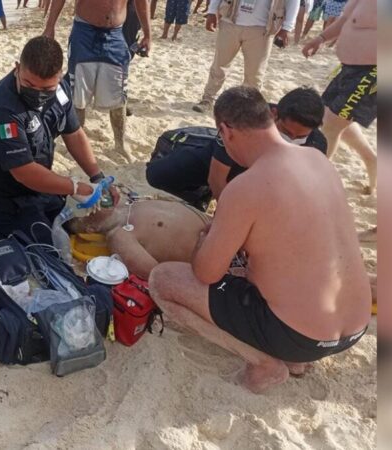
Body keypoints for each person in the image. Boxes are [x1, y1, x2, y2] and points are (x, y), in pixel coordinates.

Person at [149, 86, 371, 393]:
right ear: (271, 117)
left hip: (301, 337)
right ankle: (295, 359)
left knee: (164, 280)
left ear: (225, 132)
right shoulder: (318, 160)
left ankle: (263, 362)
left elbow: (206, 273)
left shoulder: (245, 186)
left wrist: (209, 239)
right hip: (355, 328)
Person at [0, 36, 119, 245]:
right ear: (17, 68)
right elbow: (24, 172)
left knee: (70, 226)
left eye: (46, 89)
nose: (38, 94)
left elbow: (74, 133)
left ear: (58, 76)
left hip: (40, 187)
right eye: (30, 85)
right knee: (44, 244)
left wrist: (96, 177)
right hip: (3, 196)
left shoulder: (60, 90)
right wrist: (75, 187)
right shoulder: (2, 110)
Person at [147, 87, 328, 208]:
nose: (291, 140)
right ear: (273, 115)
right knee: (156, 175)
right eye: (286, 132)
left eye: (300, 137)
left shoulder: (316, 145)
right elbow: (217, 179)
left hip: (257, 178)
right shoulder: (246, 122)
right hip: (211, 165)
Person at [43, 0, 152, 162]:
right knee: (78, 91)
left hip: (115, 33)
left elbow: (141, 2)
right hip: (84, 30)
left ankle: (120, 143)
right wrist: (50, 25)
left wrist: (147, 33)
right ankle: (76, 138)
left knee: (118, 92)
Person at [302, 0, 376, 194]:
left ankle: (317, 183)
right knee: (333, 118)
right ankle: (371, 160)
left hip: (373, 73)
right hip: (348, 68)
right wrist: (320, 37)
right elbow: (346, 19)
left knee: (331, 124)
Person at [191, 0, 301, 113]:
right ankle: (207, 99)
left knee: (255, 73)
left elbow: (293, 2)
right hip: (230, 21)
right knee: (219, 64)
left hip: (263, 28)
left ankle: (246, 106)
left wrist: (287, 28)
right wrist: (212, 11)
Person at [68, 200, 211, 279]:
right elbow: (155, 273)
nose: (94, 199)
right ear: (91, 229)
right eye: (86, 206)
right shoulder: (120, 236)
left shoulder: (129, 203)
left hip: (221, 230)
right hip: (215, 257)